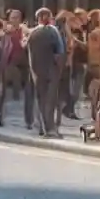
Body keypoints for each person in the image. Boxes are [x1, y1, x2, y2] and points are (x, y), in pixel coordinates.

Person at [26, 8, 66, 138]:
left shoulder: (32, 33)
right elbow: (60, 52)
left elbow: (28, 52)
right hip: (51, 70)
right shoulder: (53, 32)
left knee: (41, 100)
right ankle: (51, 129)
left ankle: (43, 128)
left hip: (37, 71)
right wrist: (60, 69)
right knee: (51, 100)